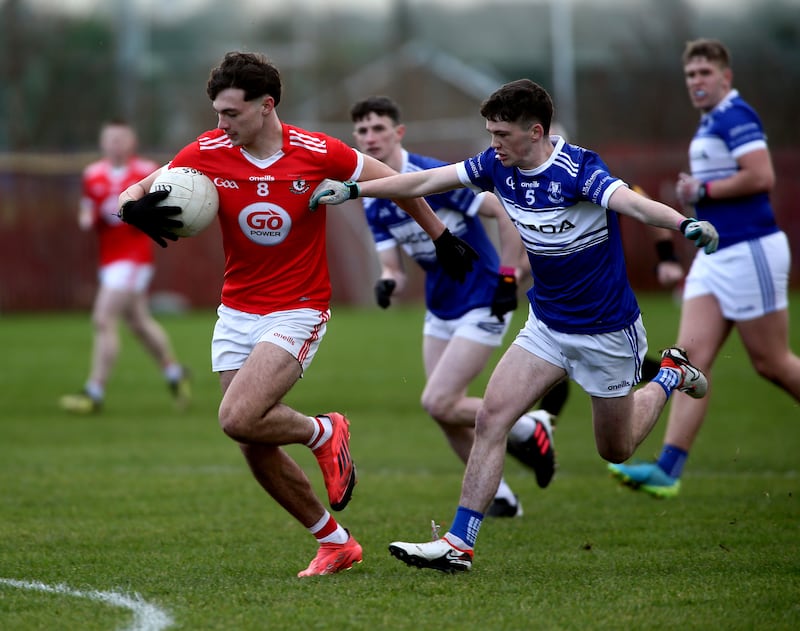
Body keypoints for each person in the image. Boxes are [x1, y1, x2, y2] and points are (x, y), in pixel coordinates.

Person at [310, 78, 719, 572]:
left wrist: (684, 224)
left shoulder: (579, 169)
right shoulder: (495, 166)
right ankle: (459, 544)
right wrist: (355, 189)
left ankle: (670, 373)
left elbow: (633, 203)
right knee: (490, 419)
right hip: (545, 326)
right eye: (490, 133)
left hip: (607, 331)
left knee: (616, 448)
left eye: (501, 134)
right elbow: (422, 182)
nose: (493, 143)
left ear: (536, 131)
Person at [115, 52, 479, 577]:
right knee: (250, 437)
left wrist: (440, 237)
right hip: (237, 308)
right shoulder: (209, 150)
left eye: (231, 113)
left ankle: (324, 433)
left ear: (266, 106)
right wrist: (133, 208)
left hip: (297, 308)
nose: (221, 124)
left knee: (237, 417)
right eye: (216, 112)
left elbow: (400, 182)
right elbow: (136, 188)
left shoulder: (318, 151)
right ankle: (334, 542)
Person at [350, 96, 563, 517]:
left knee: (439, 400)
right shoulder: (374, 198)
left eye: (378, 128)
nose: (369, 137)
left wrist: (509, 274)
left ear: (398, 133)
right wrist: (386, 283)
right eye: (361, 131)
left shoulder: (427, 175)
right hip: (441, 305)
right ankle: (499, 494)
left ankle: (527, 426)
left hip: (484, 295)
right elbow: (395, 266)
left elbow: (503, 210)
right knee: (444, 411)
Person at [608, 38, 800, 498]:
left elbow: (762, 176)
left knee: (771, 363)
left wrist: (704, 191)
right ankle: (668, 468)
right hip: (717, 258)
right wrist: (696, 194)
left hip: (751, 248)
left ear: (725, 77)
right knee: (688, 361)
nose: (696, 82)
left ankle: (669, 466)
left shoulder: (738, 115)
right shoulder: (711, 121)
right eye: (691, 75)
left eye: (705, 73)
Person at [59, 120, 191, 414]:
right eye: (110, 139)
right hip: (109, 258)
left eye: (121, 139)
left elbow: (162, 209)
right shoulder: (93, 174)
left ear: (132, 142)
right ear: (102, 143)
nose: (115, 144)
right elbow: (88, 210)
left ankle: (93, 392)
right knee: (139, 322)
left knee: (103, 319)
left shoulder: (145, 171)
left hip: (134, 257)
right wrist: (88, 217)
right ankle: (174, 373)